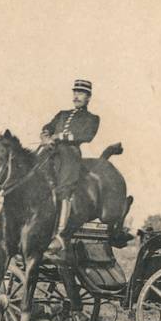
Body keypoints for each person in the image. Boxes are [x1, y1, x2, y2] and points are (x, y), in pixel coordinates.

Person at [40, 79, 100, 254]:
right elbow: (47, 127)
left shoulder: (92, 119)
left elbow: (86, 136)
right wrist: (45, 136)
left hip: (70, 156)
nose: (76, 96)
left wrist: (58, 137)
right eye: (75, 92)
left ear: (89, 97)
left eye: (81, 93)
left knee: (64, 189)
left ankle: (59, 235)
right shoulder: (62, 114)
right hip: (51, 152)